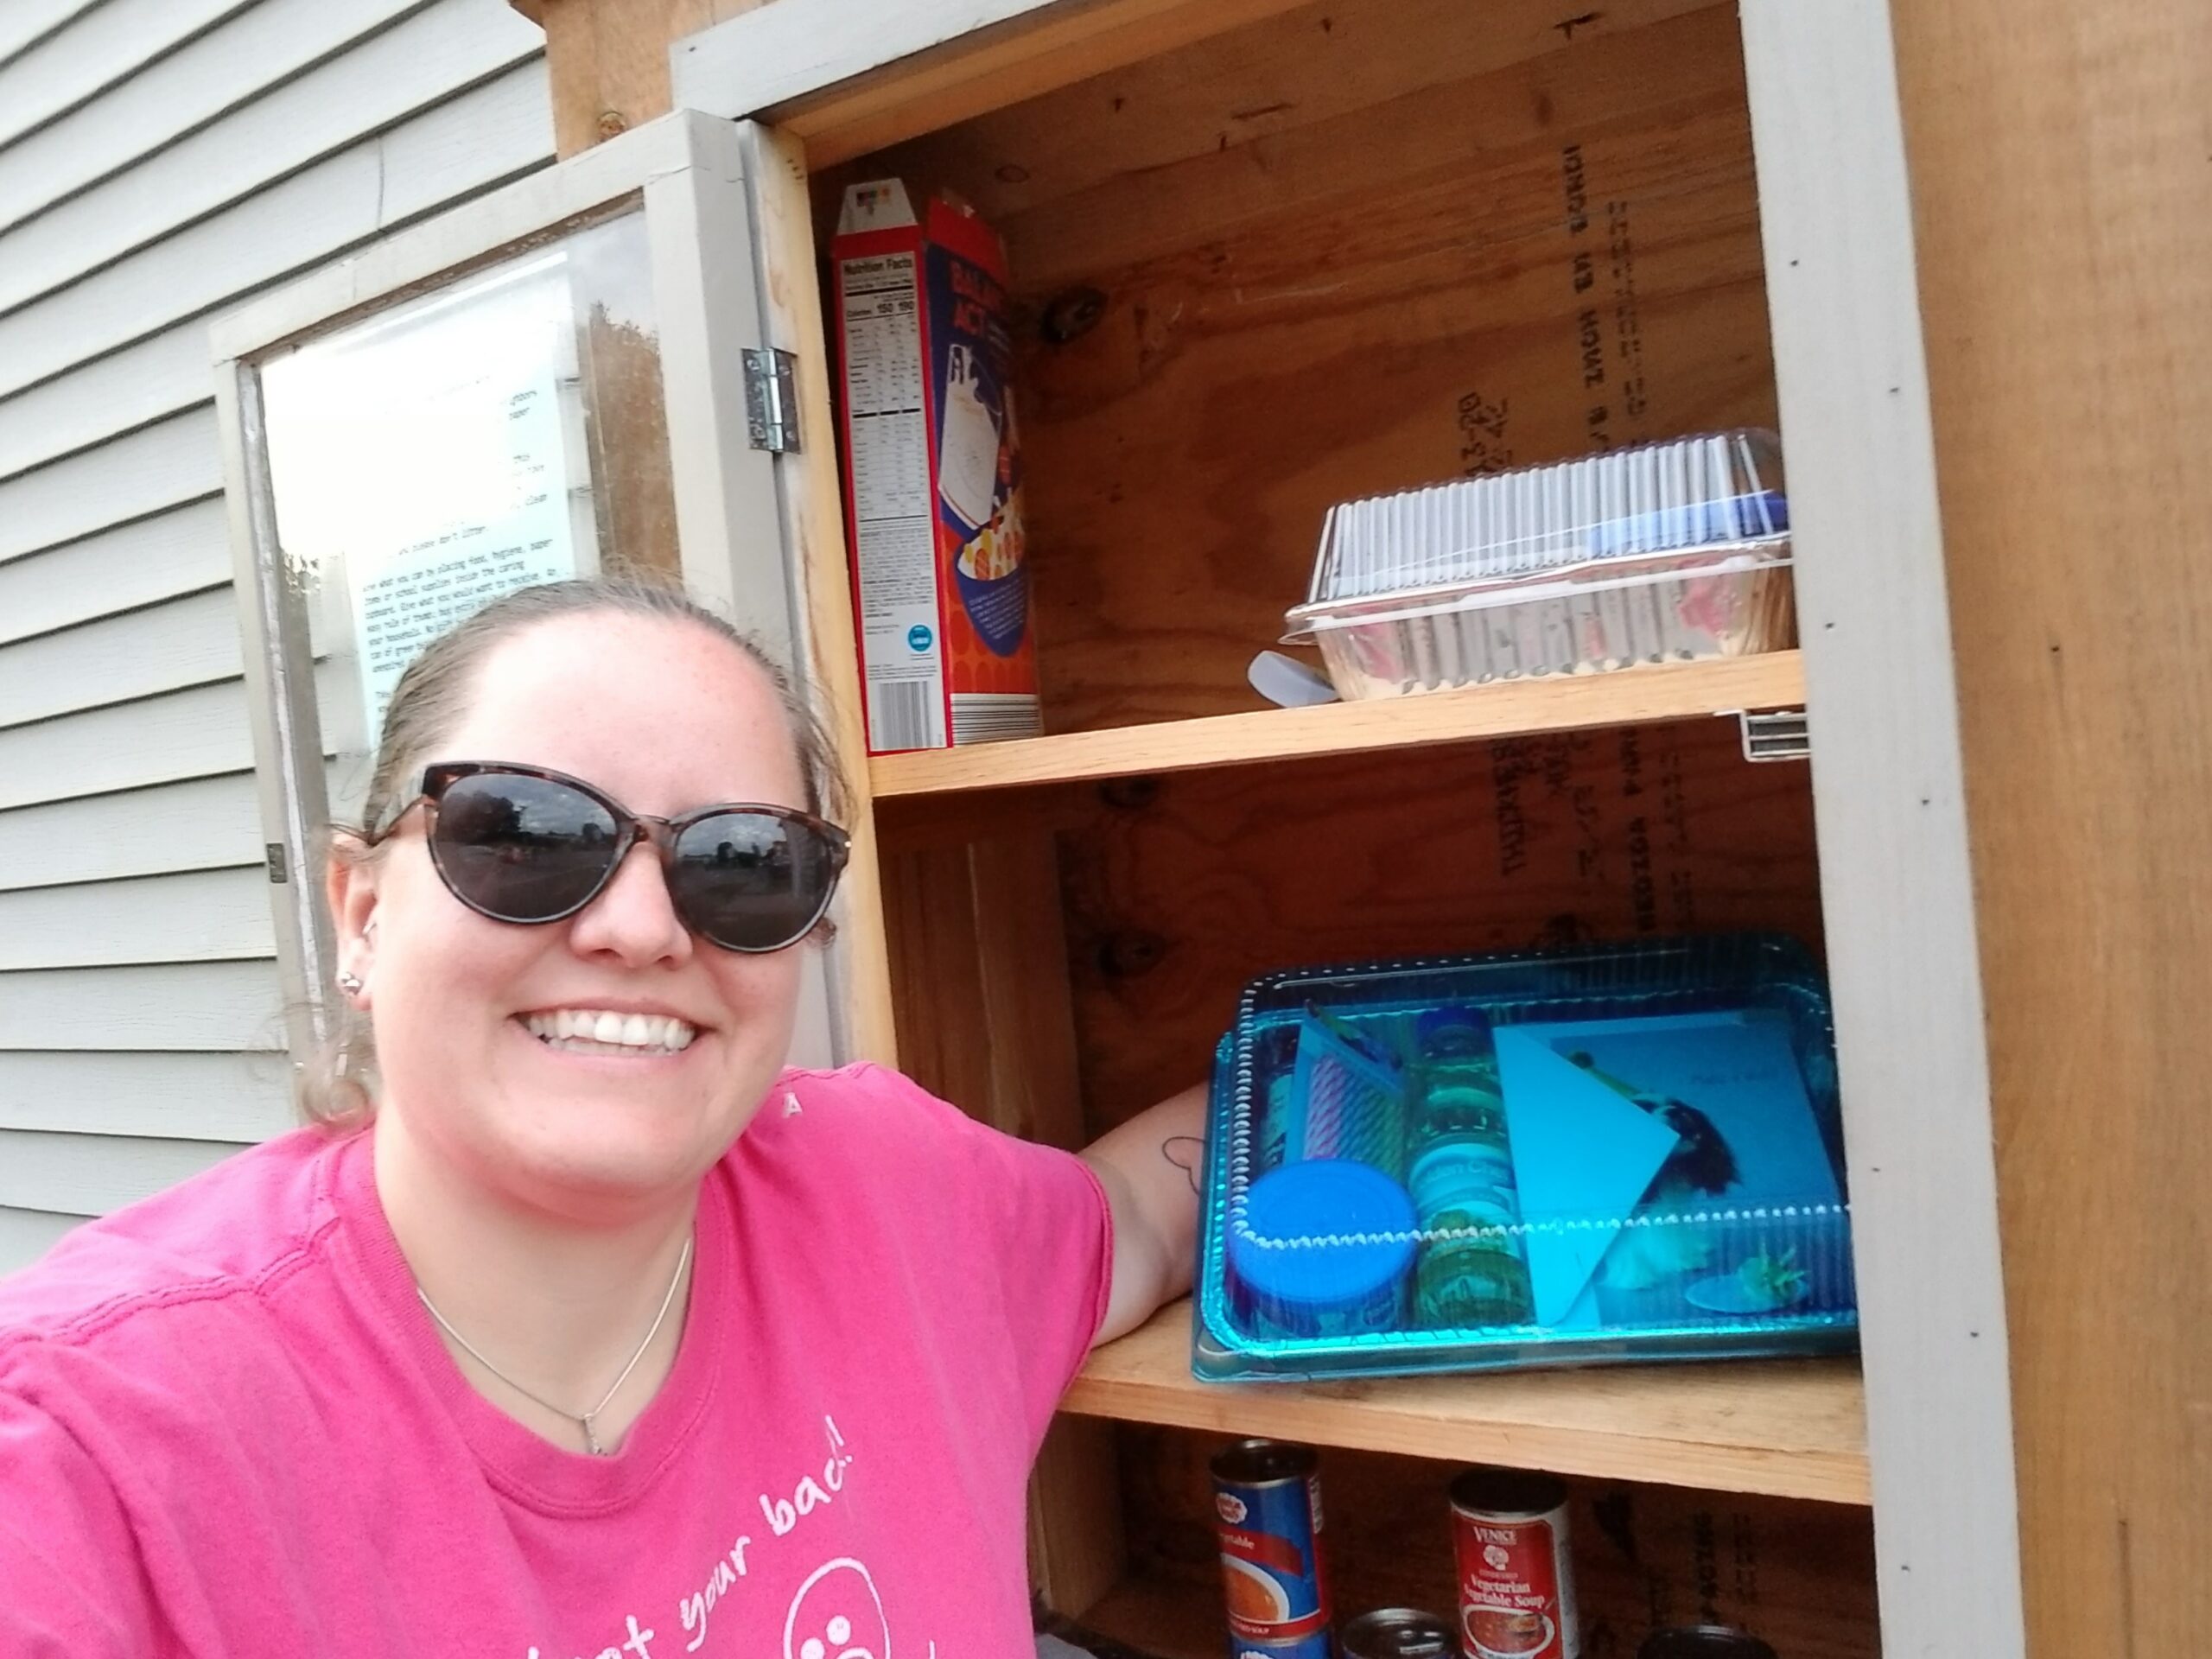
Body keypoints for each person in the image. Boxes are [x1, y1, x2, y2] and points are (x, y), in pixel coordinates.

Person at [0, 576, 1205, 1656]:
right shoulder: (97, 1444)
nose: (640, 928)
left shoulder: (880, 1187)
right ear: (362, 912)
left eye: (743, 862)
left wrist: (1374, 1055)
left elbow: (1138, 1216)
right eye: (523, 836)